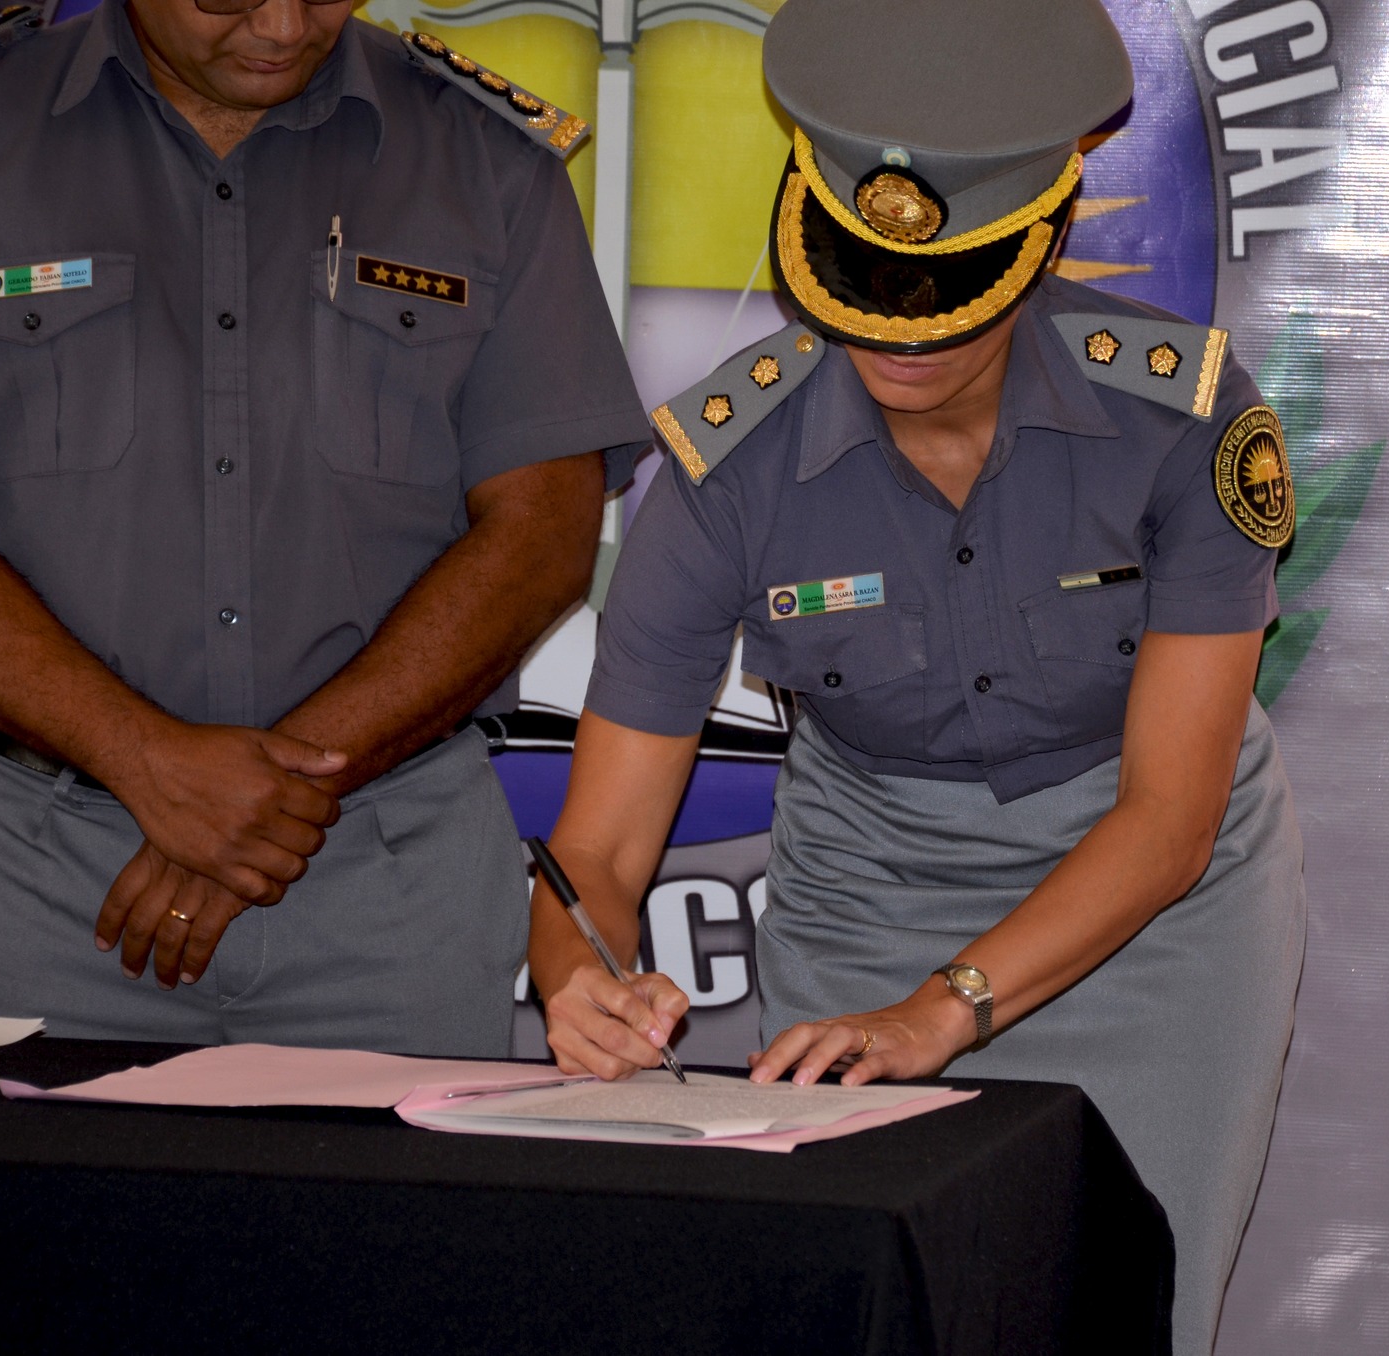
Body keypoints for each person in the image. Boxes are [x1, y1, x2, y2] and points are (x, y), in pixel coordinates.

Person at [525, 0, 1306, 1350]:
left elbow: (1169, 823)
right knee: (868, 1315)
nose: (901, 333)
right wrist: (574, 971)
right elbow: (596, 846)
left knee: (1125, 1309)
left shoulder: (1180, 418)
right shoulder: (727, 467)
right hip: (869, 893)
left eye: (951, 296)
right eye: (863, 287)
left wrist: (948, 1011)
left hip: (1156, 917)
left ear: (1042, 243)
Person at [0, 0, 651, 1054]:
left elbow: (540, 537)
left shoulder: (482, 156)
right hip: (40, 883)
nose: (279, 24)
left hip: (386, 883)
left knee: (393, 1222)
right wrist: (146, 760)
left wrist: (256, 799)